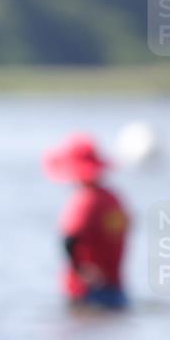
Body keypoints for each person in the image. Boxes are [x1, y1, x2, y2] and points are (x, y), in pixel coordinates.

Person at [44, 133, 130, 310]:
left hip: (88, 290)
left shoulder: (84, 200)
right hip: (115, 289)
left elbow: (70, 239)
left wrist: (79, 270)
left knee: (82, 333)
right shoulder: (114, 199)